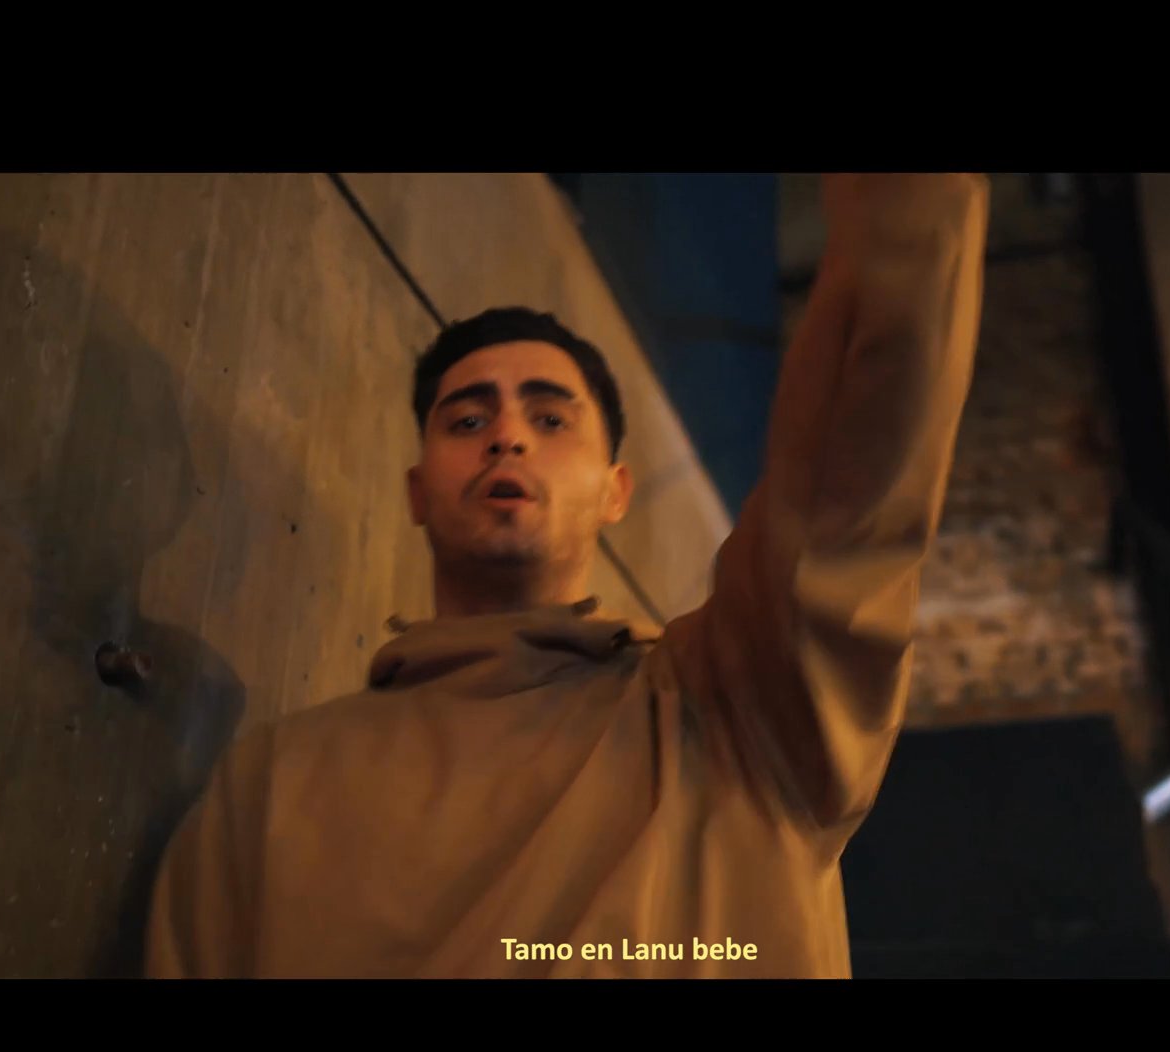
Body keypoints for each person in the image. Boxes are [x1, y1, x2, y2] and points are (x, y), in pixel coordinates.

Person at [146, 173, 989, 977]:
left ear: (615, 491)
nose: (506, 436)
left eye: (550, 418)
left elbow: (860, 451)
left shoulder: (737, 712)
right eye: (466, 420)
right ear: (416, 491)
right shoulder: (270, 785)